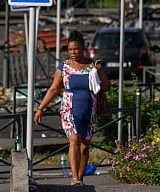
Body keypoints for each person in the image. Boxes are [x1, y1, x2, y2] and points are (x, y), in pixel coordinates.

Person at [34, 30, 110, 186]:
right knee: (74, 140)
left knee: (84, 147)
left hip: (89, 111)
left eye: (76, 48)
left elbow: (106, 86)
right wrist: (41, 108)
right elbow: (54, 89)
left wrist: (98, 71)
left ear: (82, 48)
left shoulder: (93, 65)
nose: (73, 52)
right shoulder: (63, 67)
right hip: (69, 110)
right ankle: (74, 178)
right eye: (70, 49)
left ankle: (80, 178)